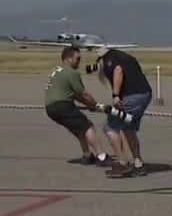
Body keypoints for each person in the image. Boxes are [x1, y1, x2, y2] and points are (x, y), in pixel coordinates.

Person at [92, 46, 154, 177]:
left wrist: (115, 95)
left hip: (132, 96)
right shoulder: (125, 57)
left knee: (110, 127)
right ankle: (138, 164)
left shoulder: (109, 59)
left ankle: (122, 164)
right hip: (145, 94)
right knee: (128, 128)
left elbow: (118, 71)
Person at [44, 46, 110, 166]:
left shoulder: (57, 71)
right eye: (77, 58)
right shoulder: (72, 73)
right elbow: (83, 94)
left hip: (50, 108)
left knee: (79, 129)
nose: (79, 61)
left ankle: (87, 155)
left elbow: (75, 95)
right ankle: (101, 156)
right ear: (68, 59)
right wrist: (95, 105)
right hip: (62, 105)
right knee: (88, 126)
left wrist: (90, 105)